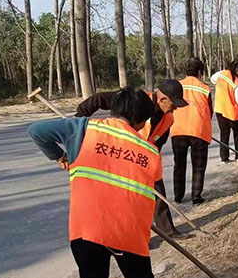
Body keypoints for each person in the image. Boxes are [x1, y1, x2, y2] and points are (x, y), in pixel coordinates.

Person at [28, 88, 184, 278]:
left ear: (115, 110)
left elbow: (36, 130)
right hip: (128, 230)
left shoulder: (83, 128)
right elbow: (148, 183)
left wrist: (60, 156)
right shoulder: (149, 151)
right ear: (140, 122)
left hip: (88, 229)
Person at [75, 80, 189, 236]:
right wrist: (78, 118)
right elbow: (99, 99)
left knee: (158, 193)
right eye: (173, 103)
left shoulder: (168, 119)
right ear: (162, 99)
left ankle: (168, 231)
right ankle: (124, 237)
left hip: (142, 159)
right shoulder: (136, 100)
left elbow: (157, 146)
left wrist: (152, 168)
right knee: (125, 199)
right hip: (121, 156)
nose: (175, 108)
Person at [171, 58, 213, 204]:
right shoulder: (204, 88)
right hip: (198, 130)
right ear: (200, 72)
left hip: (178, 129)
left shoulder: (177, 86)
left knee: (179, 164)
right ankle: (196, 196)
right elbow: (210, 111)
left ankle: (178, 196)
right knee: (199, 165)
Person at [211, 61, 238, 163]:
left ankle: (224, 157)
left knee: (224, 134)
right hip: (231, 111)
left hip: (219, 110)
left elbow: (213, 79)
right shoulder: (237, 83)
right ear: (237, 70)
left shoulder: (221, 75)